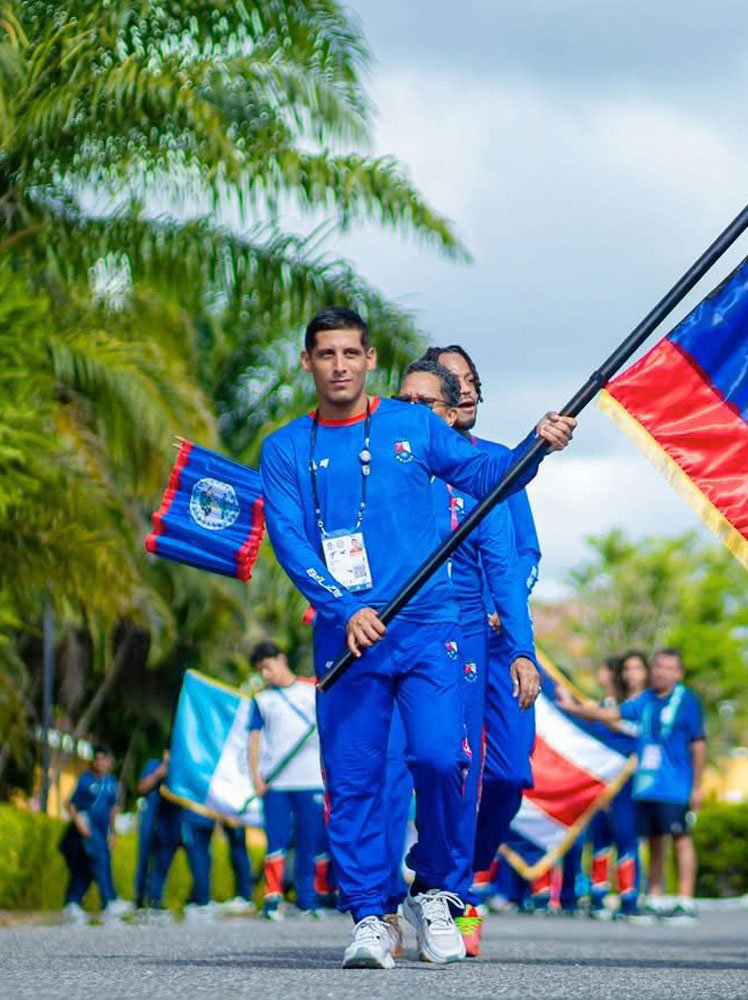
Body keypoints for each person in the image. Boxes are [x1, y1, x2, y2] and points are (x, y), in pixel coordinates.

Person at [258, 307, 575, 969]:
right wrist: (341, 606)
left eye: (351, 353)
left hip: (431, 631)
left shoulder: (411, 428)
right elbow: (288, 539)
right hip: (349, 638)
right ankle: (371, 915)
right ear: (307, 363)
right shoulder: (286, 447)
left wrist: (534, 446)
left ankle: (432, 888)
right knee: (354, 782)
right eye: (326, 355)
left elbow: (487, 482)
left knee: (440, 759)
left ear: (369, 359)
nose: (339, 366)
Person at [424, 346, 542, 939]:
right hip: (445, 639)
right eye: (451, 383)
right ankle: (451, 896)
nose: (464, 392)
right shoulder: (417, 463)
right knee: (452, 767)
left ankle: (450, 871)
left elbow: (526, 554)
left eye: (470, 381)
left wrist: (505, 613)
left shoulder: (498, 463)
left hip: (503, 641)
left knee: (508, 774)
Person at [559, 648, 704, 922]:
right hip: (646, 786)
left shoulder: (687, 700)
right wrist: (571, 708)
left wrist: (697, 786)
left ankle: (685, 899)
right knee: (655, 842)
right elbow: (610, 714)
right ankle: (655, 898)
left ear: (679, 673)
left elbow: (698, 745)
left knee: (681, 839)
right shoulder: (646, 700)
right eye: (658, 667)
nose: (662, 672)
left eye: (669, 668)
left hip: (675, 786)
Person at [247, 639, 326, 920]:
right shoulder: (261, 700)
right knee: (276, 841)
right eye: (261, 671)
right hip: (276, 783)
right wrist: (256, 776)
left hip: (311, 780)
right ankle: (272, 899)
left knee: (310, 841)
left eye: (267, 667)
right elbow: (253, 740)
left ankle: (308, 900)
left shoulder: (312, 690)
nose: (265, 675)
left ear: (281, 659)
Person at [587, 652, 644, 918]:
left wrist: (607, 718)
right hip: (602, 782)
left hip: (628, 782)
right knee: (600, 838)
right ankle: (598, 896)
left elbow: (639, 735)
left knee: (625, 836)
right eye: (626, 669)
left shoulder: (641, 705)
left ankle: (628, 898)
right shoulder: (605, 704)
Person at [61, 744, 125, 925]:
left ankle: (73, 901)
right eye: (97, 759)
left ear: (109, 761)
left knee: (86, 868)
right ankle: (109, 900)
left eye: (103, 759)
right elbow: (71, 804)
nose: (100, 763)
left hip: (102, 830)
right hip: (87, 830)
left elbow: (113, 809)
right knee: (101, 860)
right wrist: (79, 823)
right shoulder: (85, 780)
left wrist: (113, 833)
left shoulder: (112, 783)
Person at [134, 750, 182, 922]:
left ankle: (156, 900)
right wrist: (158, 773)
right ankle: (139, 901)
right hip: (150, 820)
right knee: (144, 861)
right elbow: (141, 787)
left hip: (169, 823)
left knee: (162, 863)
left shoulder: (181, 767)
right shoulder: (153, 765)